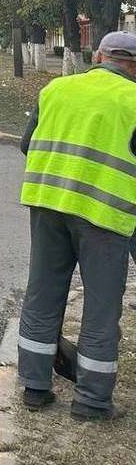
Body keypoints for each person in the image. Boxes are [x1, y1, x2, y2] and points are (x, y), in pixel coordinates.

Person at [16, 30, 136, 420]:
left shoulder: (56, 89)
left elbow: (25, 143)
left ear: (99, 56)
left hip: (48, 204)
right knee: (101, 308)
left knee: (42, 293)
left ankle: (34, 388)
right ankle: (92, 401)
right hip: (104, 214)